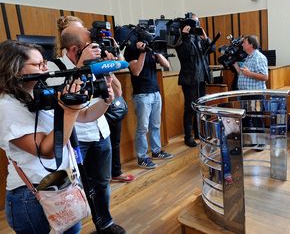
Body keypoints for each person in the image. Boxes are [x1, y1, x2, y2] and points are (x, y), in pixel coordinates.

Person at [0, 40, 110, 233]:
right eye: (38, 64)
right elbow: (47, 151)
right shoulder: (6, 106)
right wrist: (70, 111)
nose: (44, 68)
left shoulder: (36, 94)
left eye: (44, 62)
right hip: (32, 196)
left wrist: (106, 101)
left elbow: (83, 116)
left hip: (59, 186)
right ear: (14, 69)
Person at [47, 25, 126, 234]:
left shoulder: (95, 64)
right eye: (90, 46)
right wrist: (82, 65)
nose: (96, 49)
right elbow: (65, 99)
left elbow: (117, 94)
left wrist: (108, 70)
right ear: (74, 50)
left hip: (100, 131)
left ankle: (104, 223)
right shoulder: (52, 67)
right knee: (75, 189)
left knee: (102, 183)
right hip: (75, 137)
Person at [124, 41, 173, 169]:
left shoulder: (152, 50)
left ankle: (156, 151)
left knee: (156, 125)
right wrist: (143, 52)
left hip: (155, 92)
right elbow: (136, 71)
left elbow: (166, 65)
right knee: (143, 128)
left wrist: (156, 51)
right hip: (142, 95)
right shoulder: (131, 50)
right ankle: (142, 157)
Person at [175, 13, 215, 147]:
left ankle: (199, 132)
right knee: (190, 108)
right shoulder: (180, 39)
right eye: (193, 23)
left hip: (201, 78)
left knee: (201, 107)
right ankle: (188, 136)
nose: (195, 26)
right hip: (189, 79)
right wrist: (185, 36)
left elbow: (212, 49)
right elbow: (185, 53)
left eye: (197, 23)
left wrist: (205, 38)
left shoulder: (199, 39)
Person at [233, 35, 268, 150]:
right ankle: (251, 141)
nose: (242, 44)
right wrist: (235, 65)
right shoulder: (248, 58)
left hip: (255, 94)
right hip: (244, 94)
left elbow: (265, 76)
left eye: (244, 42)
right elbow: (243, 74)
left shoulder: (259, 57)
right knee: (246, 118)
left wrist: (249, 73)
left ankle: (261, 143)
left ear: (251, 45)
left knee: (257, 118)